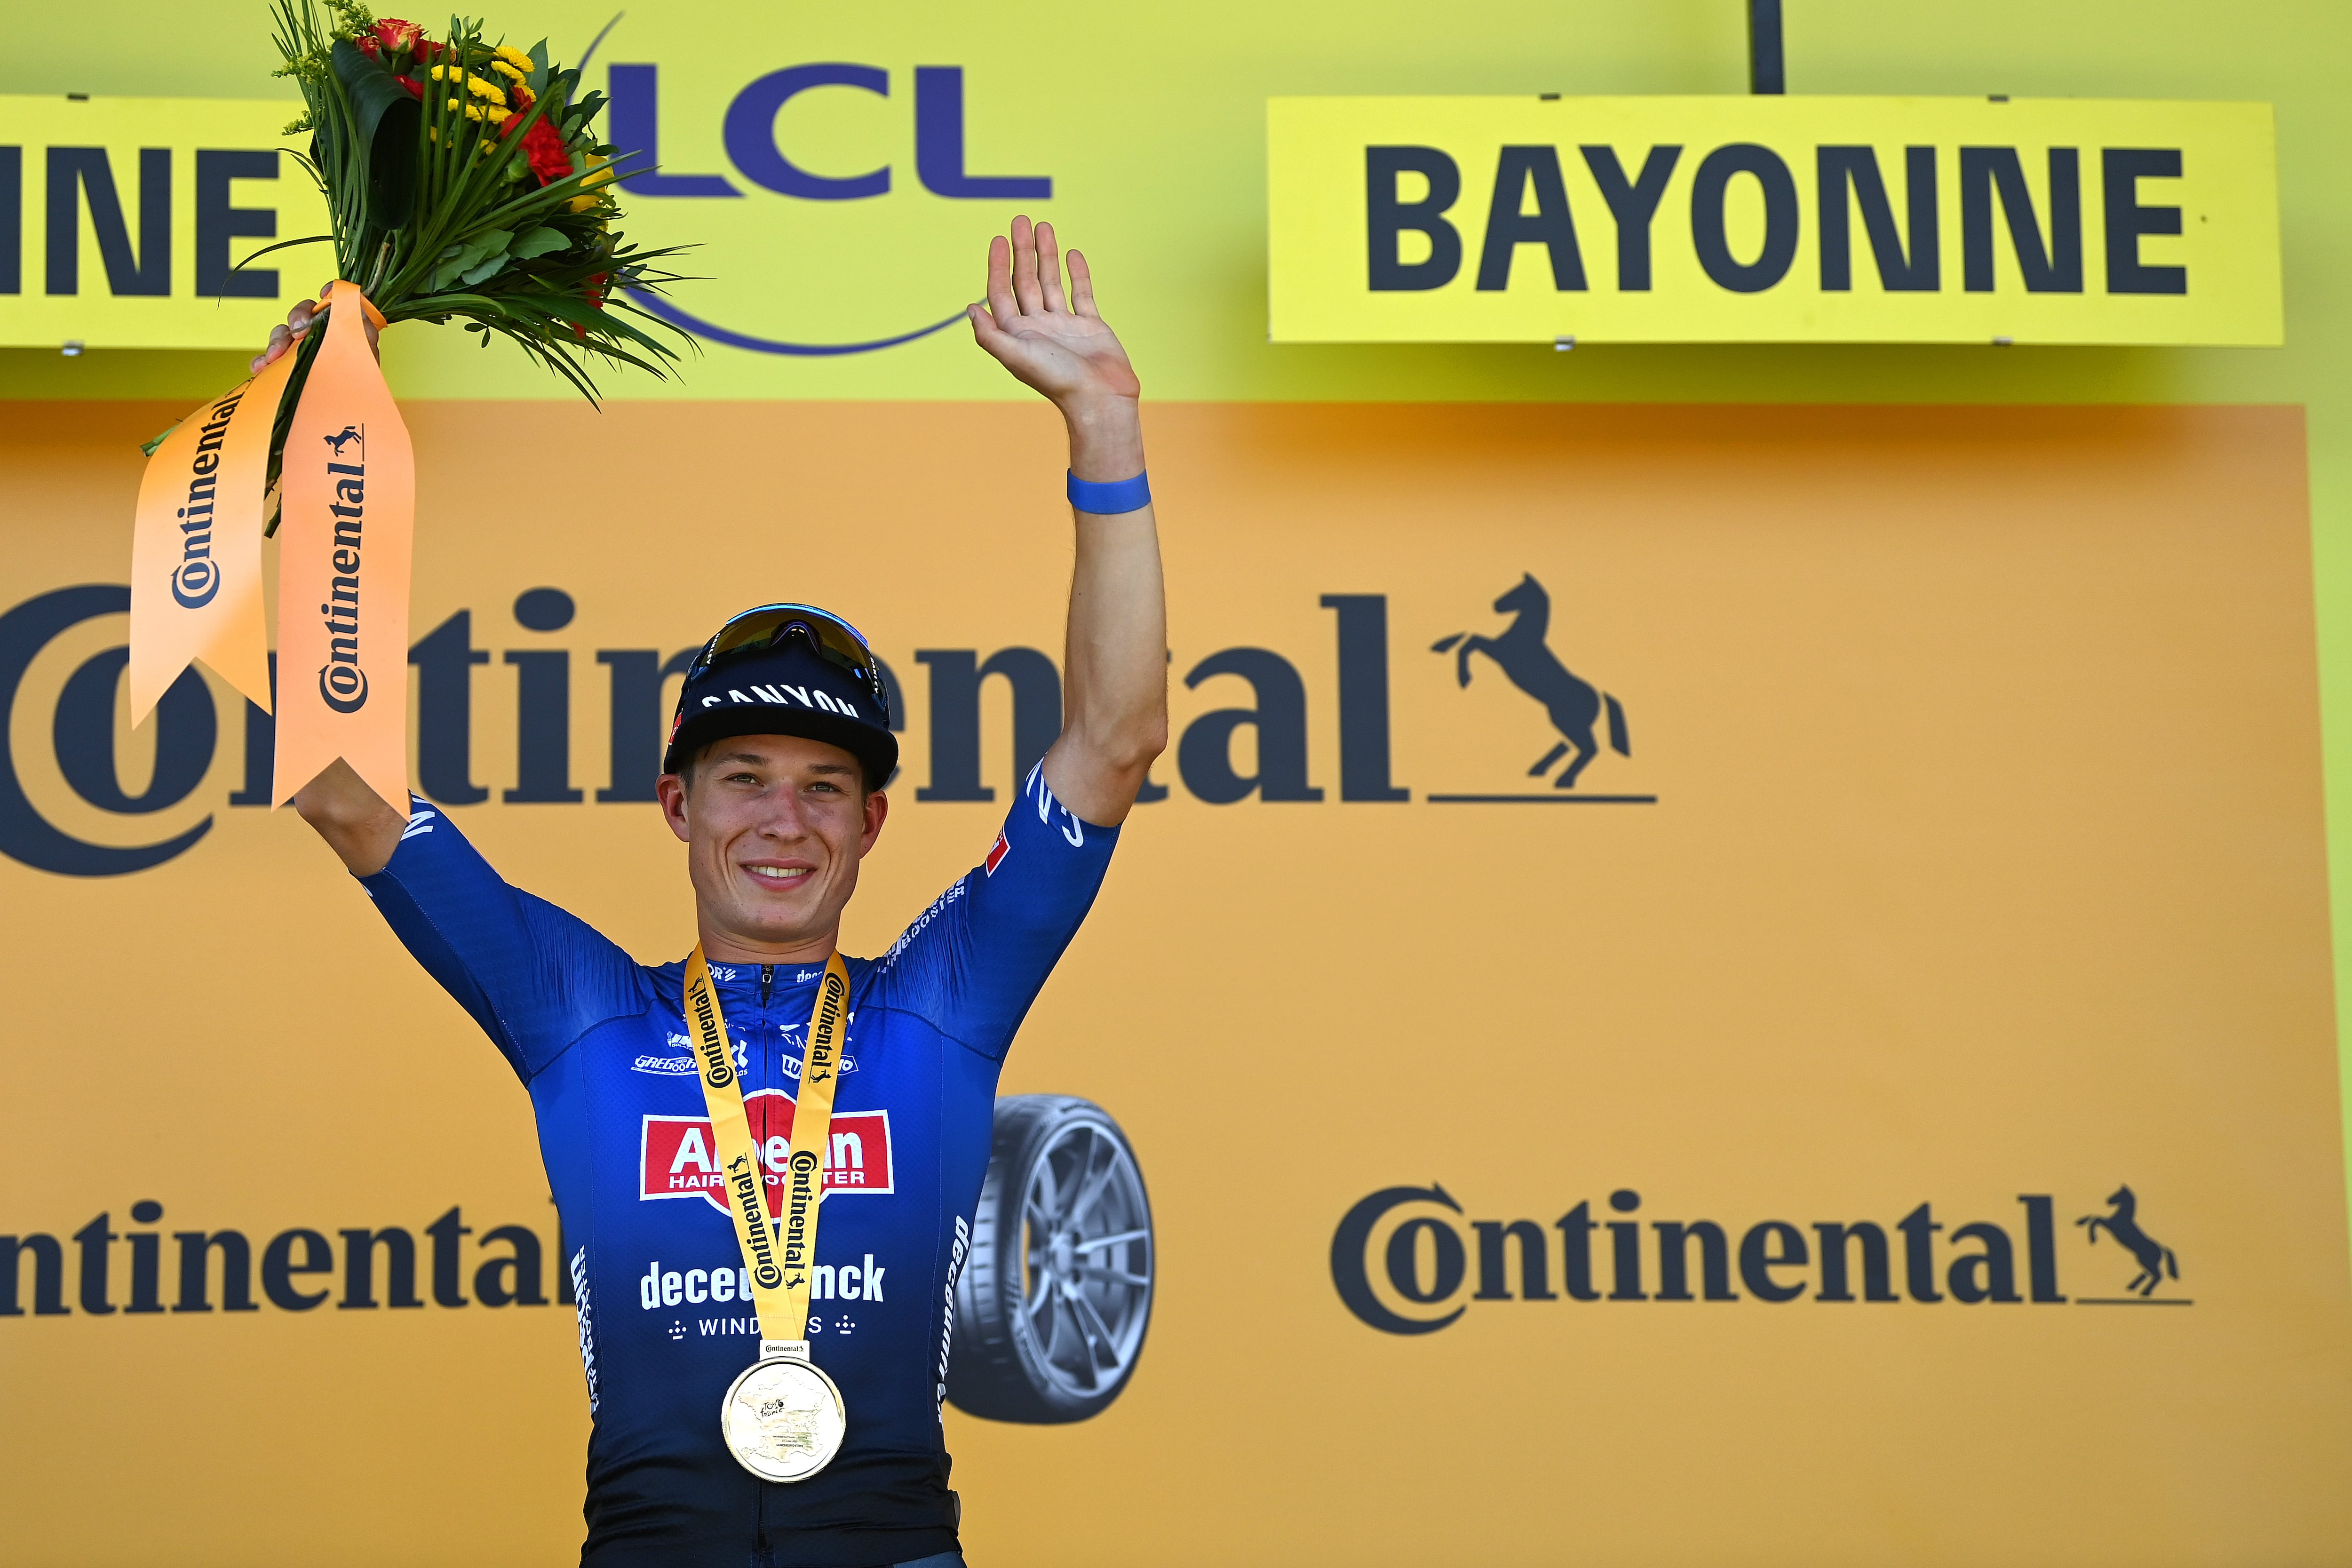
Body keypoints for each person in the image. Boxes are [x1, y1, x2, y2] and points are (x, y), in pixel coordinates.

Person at [262, 217, 1167, 1568]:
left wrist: (1106, 428)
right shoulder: (578, 1009)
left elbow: (1114, 742)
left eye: (821, 786)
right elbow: (341, 782)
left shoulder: (941, 1004)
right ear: (677, 808)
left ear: (872, 825)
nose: (782, 820)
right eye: (742, 777)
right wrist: (315, 468)